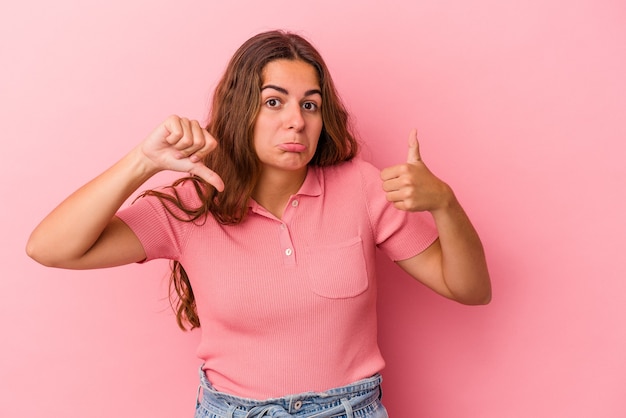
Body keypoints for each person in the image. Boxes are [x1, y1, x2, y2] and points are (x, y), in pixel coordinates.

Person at [26, 30, 491, 418]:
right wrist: (141, 163)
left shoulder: (362, 188)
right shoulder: (190, 205)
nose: (296, 121)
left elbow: (470, 288)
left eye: (310, 105)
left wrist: (445, 204)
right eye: (274, 102)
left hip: (350, 409)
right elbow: (49, 248)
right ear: (241, 109)